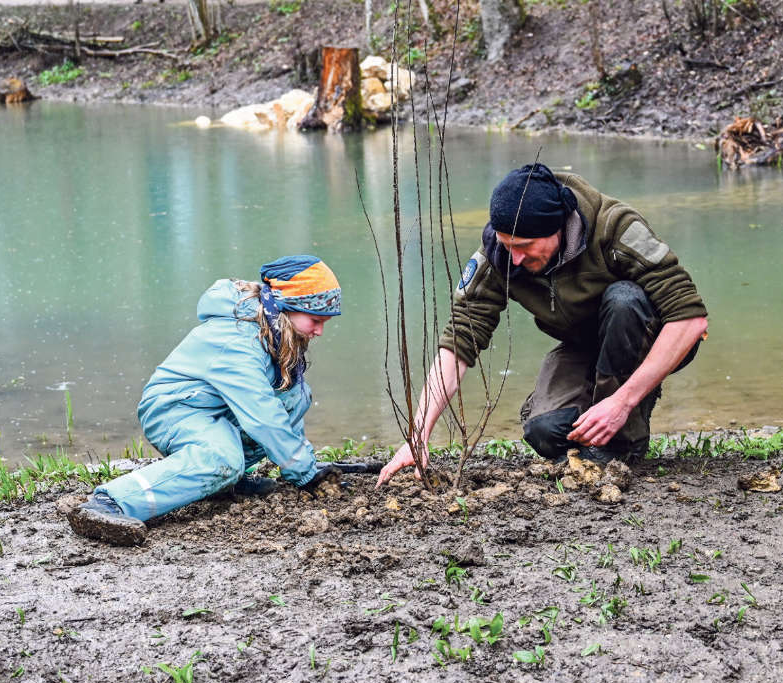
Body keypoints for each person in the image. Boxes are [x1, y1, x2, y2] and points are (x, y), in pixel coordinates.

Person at [378, 164, 709, 485]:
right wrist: (417, 435)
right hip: (586, 344)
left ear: (560, 227)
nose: (515, 258)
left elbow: (689, 318)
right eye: (509, 246)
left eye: (524, 247)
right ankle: (600, 412)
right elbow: (458, 343)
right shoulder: (498, 254)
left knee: (624, 300)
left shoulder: (615, 226)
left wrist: (622, 402)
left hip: (650, 335)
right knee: (545, 433)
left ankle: (622, 439)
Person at [68, 256, 347, 546]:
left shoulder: (276, 332)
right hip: (175, 408)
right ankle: (111, 503)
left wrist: (305, 468)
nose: (319, 331)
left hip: (211, 410)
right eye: (315, 321)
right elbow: (262, 416)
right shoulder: (239, 340)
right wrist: (304, 474)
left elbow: (281, 405)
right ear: (285, 307)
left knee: (295, 395)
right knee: (220, 459)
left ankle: (225, 481)